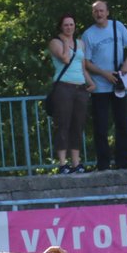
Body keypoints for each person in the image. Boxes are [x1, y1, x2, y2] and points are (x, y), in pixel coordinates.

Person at [81, 0, 127, 171]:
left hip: (118, 85)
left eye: (101, 11)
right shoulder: (88, 34)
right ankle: (103, 164)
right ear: (93, 14)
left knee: (122, 123)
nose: (99, 14)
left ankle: (124, 162)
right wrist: (104, 74)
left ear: (107, 12)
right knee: (100, 126)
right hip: (100, 86)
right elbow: (86, 62)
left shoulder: (118, 26)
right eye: (95, 11)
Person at [47, 14, 95, 174]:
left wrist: (90, 82)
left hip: (80, 88)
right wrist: (66, 43)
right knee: (63, 124)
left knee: (78, 124)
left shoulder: (80, 43)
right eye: (66, 25)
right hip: (63, 87)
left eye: (71, 24)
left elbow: (82, 66)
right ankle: (62, 163)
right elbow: (65, 59)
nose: (69, 27)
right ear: (61, 26)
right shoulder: (55, 42)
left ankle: (76, 163)